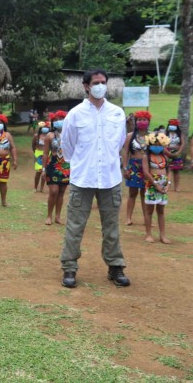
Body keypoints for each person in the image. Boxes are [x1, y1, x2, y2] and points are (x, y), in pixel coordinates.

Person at [59, 69, 129, 288]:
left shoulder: (117, 113)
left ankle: (115, 267)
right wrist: (81, 163)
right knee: (75, 226)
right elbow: (67, 145)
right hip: (83, 179)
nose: (101, 86)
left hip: (110, 178)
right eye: (96, 82)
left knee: (111, 226)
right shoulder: (75, 114)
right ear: (86, 86)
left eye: (103, 82)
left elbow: (118, 143)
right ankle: (69, 268)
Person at [122, 110, 151, 225]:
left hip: (147, 168)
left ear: (148, 121)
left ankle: (146, 218)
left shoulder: (152, 136)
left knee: (145, 193)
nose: (142, 122)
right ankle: (128, 218)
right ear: (136, 121)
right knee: (132, 193)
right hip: (133, 166)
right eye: (139, 120)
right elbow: (125, 152)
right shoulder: (130, 136)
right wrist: (125, 167)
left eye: (144, 120)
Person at [142, 132, 171, 244]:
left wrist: (168, 184)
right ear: (150, 144)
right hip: (152, 184)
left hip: (163, 185)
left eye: (160, 145)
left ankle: (162, 235)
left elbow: (168, 171)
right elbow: (146, 172)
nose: (157, 147)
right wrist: (155, 184)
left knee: (161, 210)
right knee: (149, 210)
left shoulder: (164, 157)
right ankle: (148, 234)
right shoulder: (147, 156)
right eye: (155, 144)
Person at [43, 111, 70, 225]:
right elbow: (45, 153)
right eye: (57, 119)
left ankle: (58, 216)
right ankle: (49, 215)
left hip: (65, 164)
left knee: (62, 191)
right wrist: (44, 169)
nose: (59, 121)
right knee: (53, 191)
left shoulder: (69, 135)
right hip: (53, 164)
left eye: (61, 119)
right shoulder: (49, 136)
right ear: (53, 122)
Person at [165, 119, 184, 192]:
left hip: (177, 153)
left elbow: (182, 143)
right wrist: (167, 152)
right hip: (167, 152)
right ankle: (167, 186)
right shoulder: (166, 134)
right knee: (168, 169)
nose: (172, 126)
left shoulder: (179, 134)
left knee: (176, 170)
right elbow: (163, 144)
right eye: (171, 125)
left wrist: (179, 152)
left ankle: (177, 187)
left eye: (174, 125)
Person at [32, 121, 48, 193]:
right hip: (38, 153)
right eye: (43, 127)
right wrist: (36, 153)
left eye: (46, 127)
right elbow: (33, 146)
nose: (45, 128)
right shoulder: (36, 136)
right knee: (38, 172)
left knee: (45, 171)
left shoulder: (49, 135)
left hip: (47, 153)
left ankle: (42, 188)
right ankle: (35, 187)